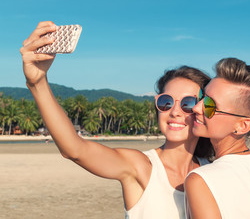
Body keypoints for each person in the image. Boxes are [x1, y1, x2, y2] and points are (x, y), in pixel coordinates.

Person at [20, 21, 214, 218]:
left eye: (188, 103)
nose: (174, 112)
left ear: (205, 110)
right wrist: (37, 82)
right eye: (166, 102)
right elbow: (76, 150)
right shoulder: (140, 166)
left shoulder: (214, 169)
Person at [185, 58, 250, 219]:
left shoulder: (201, 180)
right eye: (201, 96)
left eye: (210, 106)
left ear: (243, 126)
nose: (197, 107)